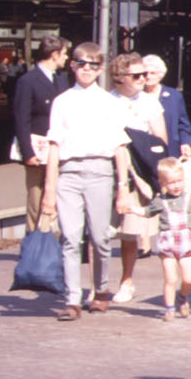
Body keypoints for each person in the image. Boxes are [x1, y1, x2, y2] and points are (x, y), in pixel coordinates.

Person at [38, 43, 135, 320]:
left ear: (101, 69)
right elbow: (54, 145)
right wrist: (49, 189)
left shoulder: (109, 102)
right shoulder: (62, 102)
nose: (86, 70)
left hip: (100, 172)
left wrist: (123, 188)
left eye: (93, 65)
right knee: (69, 237)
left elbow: (120, 146)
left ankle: (101, 290)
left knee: (100, 237)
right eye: (81, 63)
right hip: (68, 174)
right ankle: (72, 299)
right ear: (73, 65)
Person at [109, 51, 168, 304]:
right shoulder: (107, 101)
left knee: (129, 232)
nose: (143, 79)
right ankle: (98, 285)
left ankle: (127, 281)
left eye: (145, 74)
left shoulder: (150, 103)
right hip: (107, 169)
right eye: (137, 75)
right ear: (120, 77)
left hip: (136, 172)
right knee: (98, 231)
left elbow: (161, 141)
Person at [11, 36, 69, 235]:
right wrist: (27, 153)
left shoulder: (62, 79)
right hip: (37, 151)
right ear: (54, 55)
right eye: (64, 53)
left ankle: (52, 241)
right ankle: (32, 243)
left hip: (58, 148)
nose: (67, 58)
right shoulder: (28, 81)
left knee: (57, 198)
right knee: (36, 200)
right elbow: (22, 119)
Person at [146, 156, 191, 321]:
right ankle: (169, 309)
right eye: (171, 182)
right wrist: (131, 209)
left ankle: (182, 297)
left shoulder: (190, 198)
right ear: (163, 184)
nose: (176, 186)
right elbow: (146, 212)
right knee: (170, 278)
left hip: (186, 243)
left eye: (179, 181)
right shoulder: (160, 201)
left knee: (189, 279)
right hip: (168, 244)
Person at [140, 53, 191, 159]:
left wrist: (186, 143)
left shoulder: (174, 96)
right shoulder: (136, 96)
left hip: (170, 151)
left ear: (160, 75)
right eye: (145, 73)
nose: (148, 76)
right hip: (143, 149)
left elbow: (183, 125)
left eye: (153, 73)